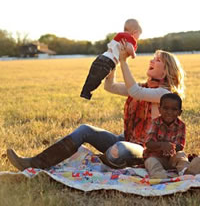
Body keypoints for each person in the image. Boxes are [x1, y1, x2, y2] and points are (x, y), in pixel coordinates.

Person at [7, 46, 185, 171]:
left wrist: (124, 60)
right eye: (153, 57)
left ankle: (110, 160)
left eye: (158, 59)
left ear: (165, 71)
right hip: (128, 139)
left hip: (147, 149)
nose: (151, 60)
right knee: (86, 130)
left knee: (119, 149)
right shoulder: (144, 88)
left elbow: (134, 91)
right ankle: (34, 163)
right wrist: (112, 64)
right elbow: (111, 87)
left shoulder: (164, 94)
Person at [143, 93, 200, 179]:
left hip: (172, 160)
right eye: (165, 108)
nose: (169, 112)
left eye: (174, 109)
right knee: (150, 161)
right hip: (156, 157)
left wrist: (172, 147)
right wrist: (162, 145)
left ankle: (187, 172)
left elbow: (180, 146)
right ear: (159, 109)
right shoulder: (155, 123)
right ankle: (159, 174)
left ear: (180, 112)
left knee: (181, 155)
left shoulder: (181, 125)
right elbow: (148, 144)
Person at [80, 19, 142, 100]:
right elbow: (130, 48)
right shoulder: (130, 38)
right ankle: (86, 93)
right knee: (98, 79)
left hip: (101, 57)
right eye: (139, 36)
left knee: (92, 77)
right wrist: (133, 54)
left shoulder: (119, 35)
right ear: (135, 32)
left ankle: (85, 92)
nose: (138, 38)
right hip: (108, 63)